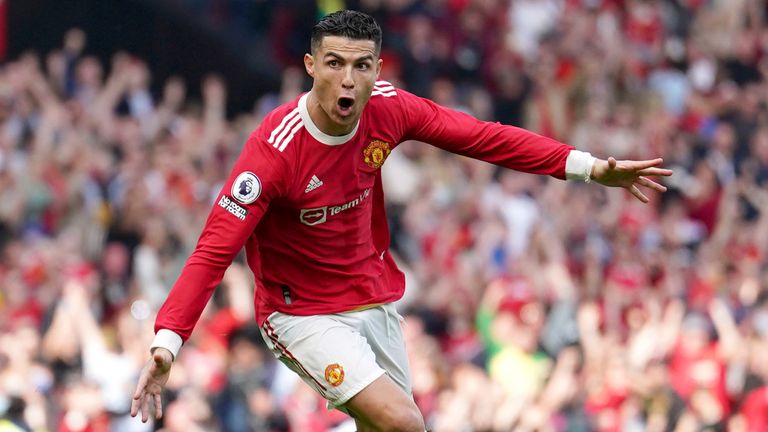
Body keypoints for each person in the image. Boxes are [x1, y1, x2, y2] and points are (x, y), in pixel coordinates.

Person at [130, 10, 672, 431]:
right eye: (336, 63)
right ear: (311, 66)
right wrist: (167, 342)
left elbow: (485, 138)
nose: (349, 80)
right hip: (302, 313)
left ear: (376, 70)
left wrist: (589, 168)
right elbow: (212, 252)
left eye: (362, 66)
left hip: (373, 298)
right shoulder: (273, 152)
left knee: (380, 427)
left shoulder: (390, 109)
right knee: (405, 422)